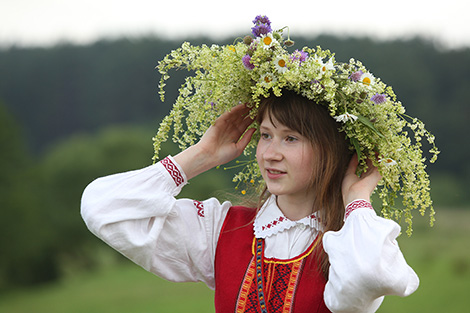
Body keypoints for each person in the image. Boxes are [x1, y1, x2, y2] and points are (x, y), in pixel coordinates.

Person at [81, 15, 437, 313]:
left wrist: (357, 198)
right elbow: (103, 209)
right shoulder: (222, 230)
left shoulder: (347, 244)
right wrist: (199, 157)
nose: (270, 153)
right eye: (265, 135)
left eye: (291, 138)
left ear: (332, 149)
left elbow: (371, 275)